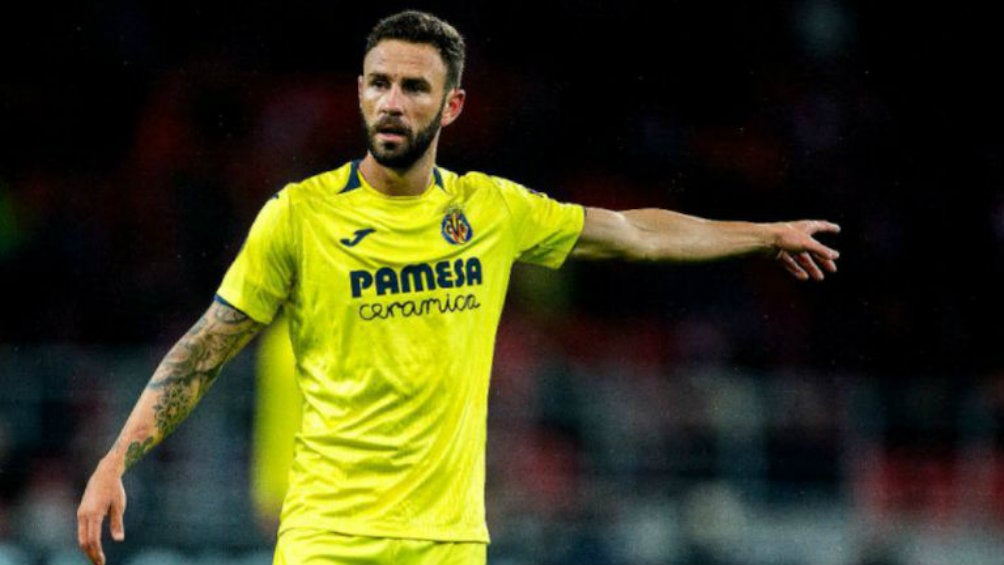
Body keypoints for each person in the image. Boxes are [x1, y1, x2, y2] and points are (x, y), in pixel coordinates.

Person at [76, 10, 840, 565]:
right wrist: (116, 458)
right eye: (379, 83)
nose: (392, 102)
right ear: (359, 92)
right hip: (327, 539)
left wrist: (762, 233)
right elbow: (207, 345)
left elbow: (633, 232)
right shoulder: (299, 215)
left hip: (449, 543)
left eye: (414, 87)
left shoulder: (492, 210)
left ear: (452, 105)